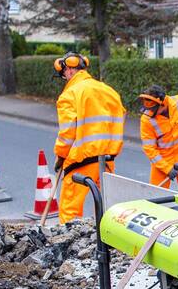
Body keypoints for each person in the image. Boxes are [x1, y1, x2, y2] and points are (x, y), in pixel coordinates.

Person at [53, 52, 125, 223]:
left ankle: (67, 244)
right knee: (106, 208)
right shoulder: (108, 90)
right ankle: (105, 244)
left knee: (69, 210)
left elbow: (67, 133)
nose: (65, 79)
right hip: (107, 160)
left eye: (64, 75)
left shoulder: (69, 94)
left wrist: (61, 156)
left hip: (81, 160)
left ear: (70, 70)